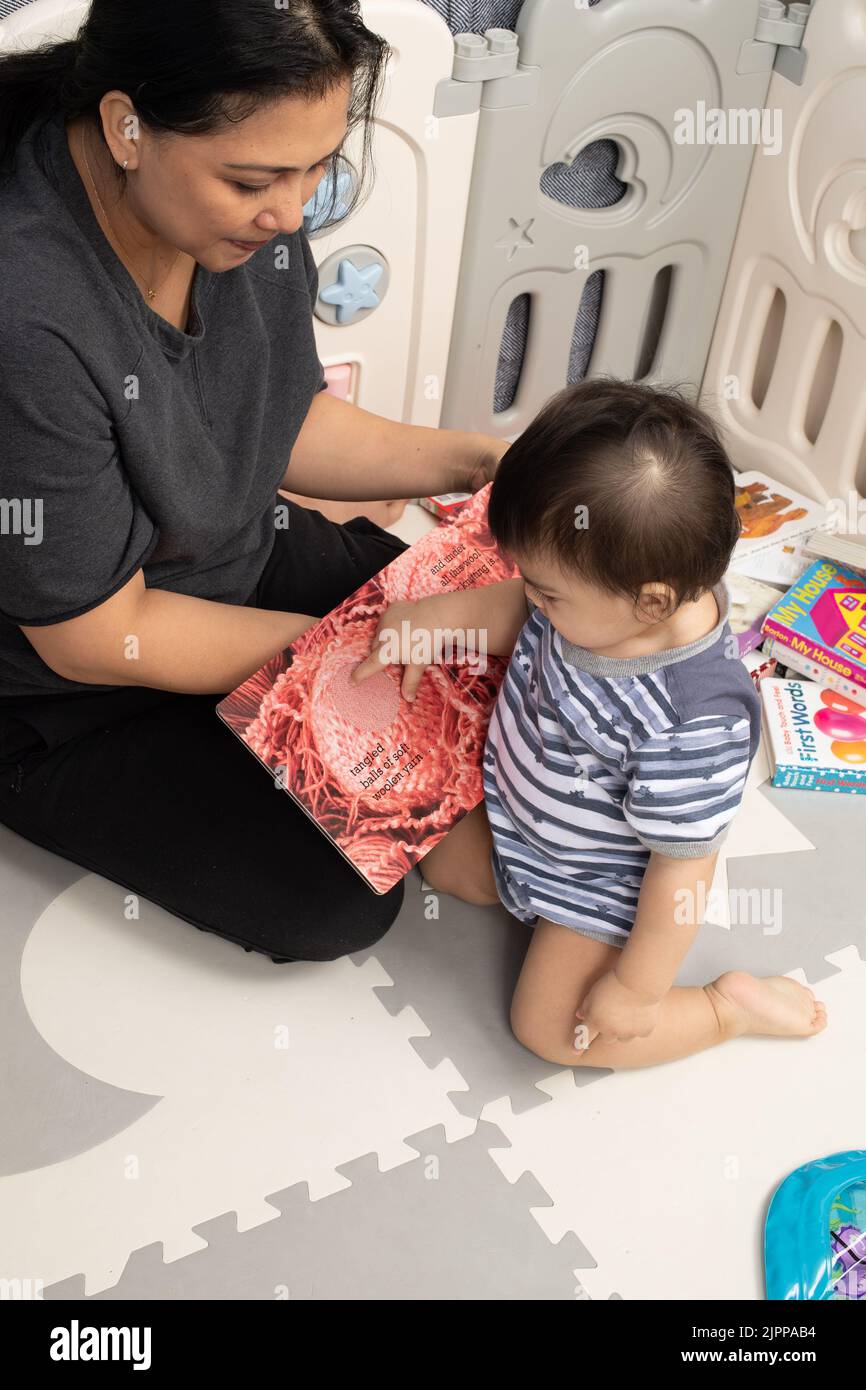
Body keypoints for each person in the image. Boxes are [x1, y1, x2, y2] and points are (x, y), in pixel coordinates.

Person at [0, 0, 506, 962]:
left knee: (499, 660)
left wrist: (477, 460)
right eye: (257, 179)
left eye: (318, 167)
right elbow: (103, 636)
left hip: (233, 555)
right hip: (69, 685)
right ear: (127, 127)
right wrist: (357, 655)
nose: (294, 211)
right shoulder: (26, 314)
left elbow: (280, 415)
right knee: (338, 894)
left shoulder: (240, 215)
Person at [353, 378, 829, 1066]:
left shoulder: (694, 721)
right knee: (444, 868)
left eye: (548, 591)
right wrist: (425, 624)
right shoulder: (603, 590)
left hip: (600, 882)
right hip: (522, 820)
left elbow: (681, 873)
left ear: (651, 604)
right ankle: (514, 880)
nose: (534, 599)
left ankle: (726, 1008)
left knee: (552, 1030)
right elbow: (517, 610)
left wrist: (638, 988)